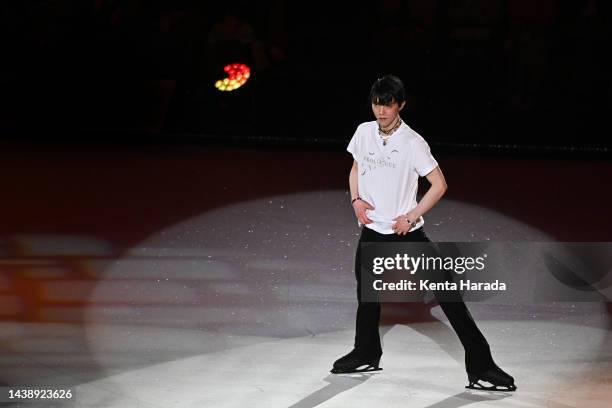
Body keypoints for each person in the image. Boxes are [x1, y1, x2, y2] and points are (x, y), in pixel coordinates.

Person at [331, 75, 516, 392]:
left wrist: (411, 216)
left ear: (400, 104)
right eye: (377, 104)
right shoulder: (363, 132)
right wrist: (356, 200)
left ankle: (482, 366)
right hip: (372, 231)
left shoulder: (413, 142)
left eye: (388, 104)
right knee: (367, 296)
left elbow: (440, 184)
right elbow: (356, 167)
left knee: (448, 295)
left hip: (407, 235)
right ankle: (366, 353)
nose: (381, 111)